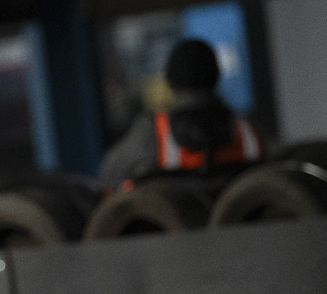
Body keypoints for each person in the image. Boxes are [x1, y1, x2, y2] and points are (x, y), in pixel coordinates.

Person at [98, 37, 262, 188]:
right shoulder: (247, 128)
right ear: (216, 75)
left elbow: (108, 175)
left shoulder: (153, 132)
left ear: (171, 80)